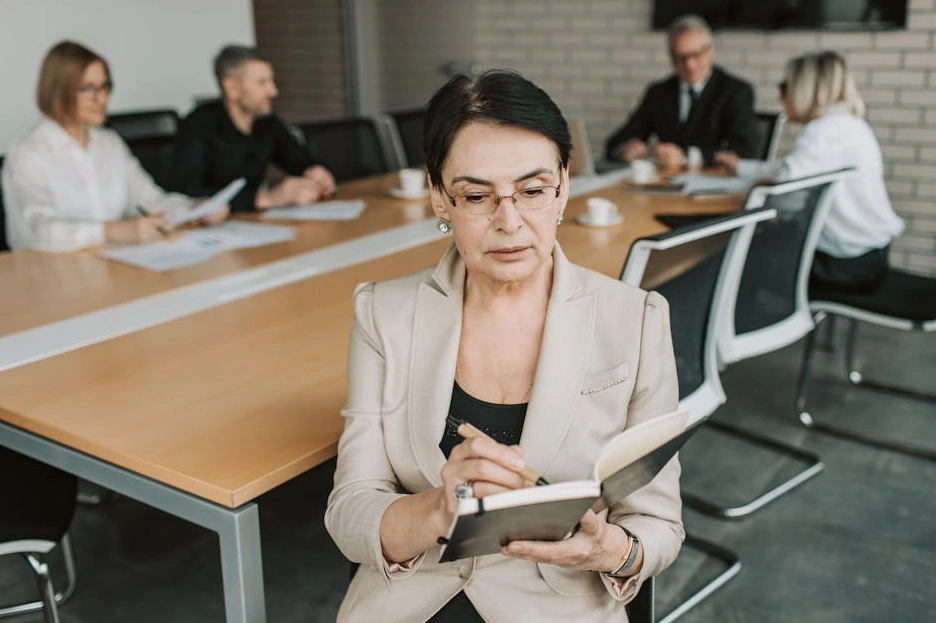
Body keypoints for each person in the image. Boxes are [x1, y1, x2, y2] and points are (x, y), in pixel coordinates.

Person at [325, 70, 683, 623]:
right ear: (439, 198)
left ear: (564, 186)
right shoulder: (383, 313)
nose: (510, 222)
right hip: (410, 602)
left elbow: (659, 528)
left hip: (557, 605)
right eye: (475, 196)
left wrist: (606, 548)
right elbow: (351, 511)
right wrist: (440, 510)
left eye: (533, 191)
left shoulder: (635, 320)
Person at [2, 41, 228, 252]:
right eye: (87, 88)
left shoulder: (109, 143)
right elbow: (37, 230)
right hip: (49, 275)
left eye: (104, 87)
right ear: (58, 91)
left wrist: (194, 210)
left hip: (114, 264)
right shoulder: (28, 152)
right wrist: (113, 231)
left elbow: (151, 200)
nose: (100, 98)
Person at [714, 51, 905, 291]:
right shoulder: (850, 125)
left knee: (730, 257)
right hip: (869, 255)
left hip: (843, 264)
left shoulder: (820, 134)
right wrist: (740, 167)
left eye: (785, 86)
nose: (780, 95)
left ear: (805, 89)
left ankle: (756, 322)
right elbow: (785, 171)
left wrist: (754, 189)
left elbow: (783, 200)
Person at [172, 45, 335, 213]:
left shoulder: (267, 122)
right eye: (262, 82)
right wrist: (265, 198)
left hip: (258, 224)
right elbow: (187, 193)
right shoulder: (197, 125)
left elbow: (298, 158)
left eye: (271, 81)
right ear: (232, 88)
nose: (273, 91)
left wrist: (316, 172)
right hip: (211, 232)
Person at [604, 14, 758, 168]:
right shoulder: (658, 93)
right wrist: (627, 148)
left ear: (710, 52)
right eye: (681, 57)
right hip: (663, 183)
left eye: (696, 55)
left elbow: (746, 151)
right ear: (671, 58)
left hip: (715, 184)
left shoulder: (736, 92)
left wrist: (687, 157)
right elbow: (616, 142)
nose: (689, 65)